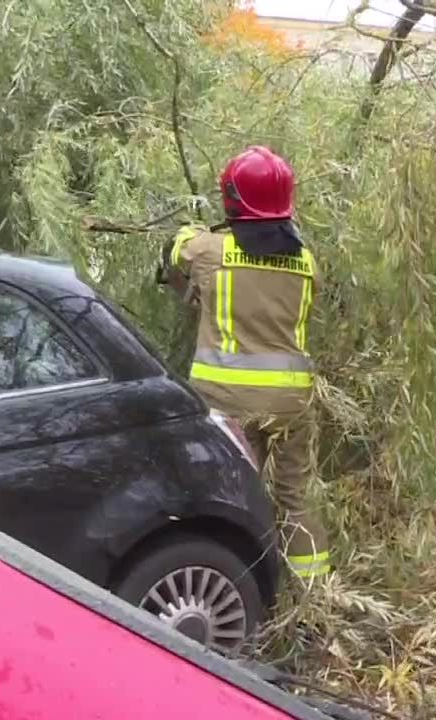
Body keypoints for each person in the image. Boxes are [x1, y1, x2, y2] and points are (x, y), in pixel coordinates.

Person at [160, 145, 330, 581]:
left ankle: (247, 586)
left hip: (228, 403)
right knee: (295, 499)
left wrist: (193, 229)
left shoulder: (208, 250)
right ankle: (313, 595)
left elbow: (176, 251)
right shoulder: (306, 262)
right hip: (292, 403)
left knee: (234, 498)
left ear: (232, 199)